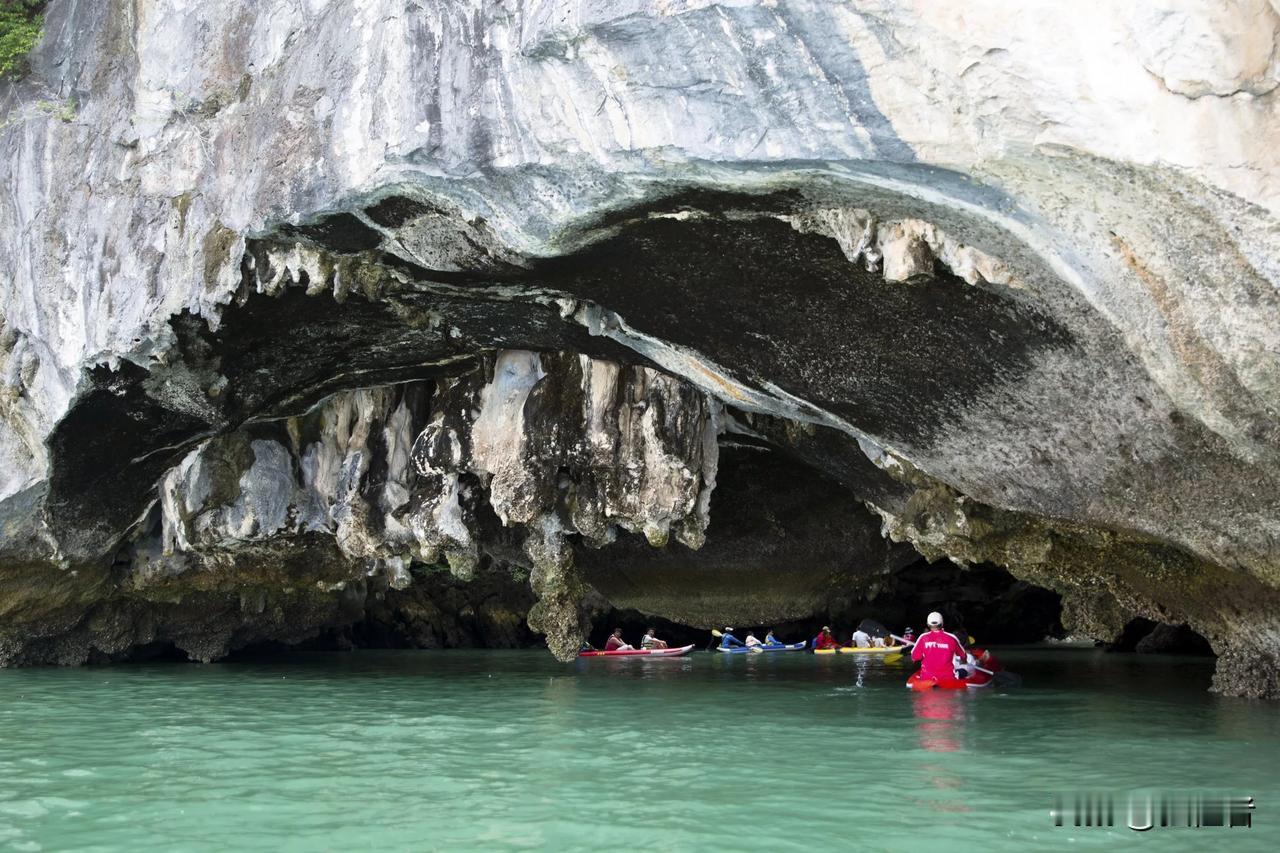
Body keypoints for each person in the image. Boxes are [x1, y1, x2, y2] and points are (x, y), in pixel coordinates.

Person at [910, 612, 966, 681]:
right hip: (948, 678)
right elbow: (963, 656)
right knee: (965, 671)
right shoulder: (952, 638)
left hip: (927, 677)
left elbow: (914, 657)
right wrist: (964, 662)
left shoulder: (923, 637)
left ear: (928, 624)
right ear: (942, 623)